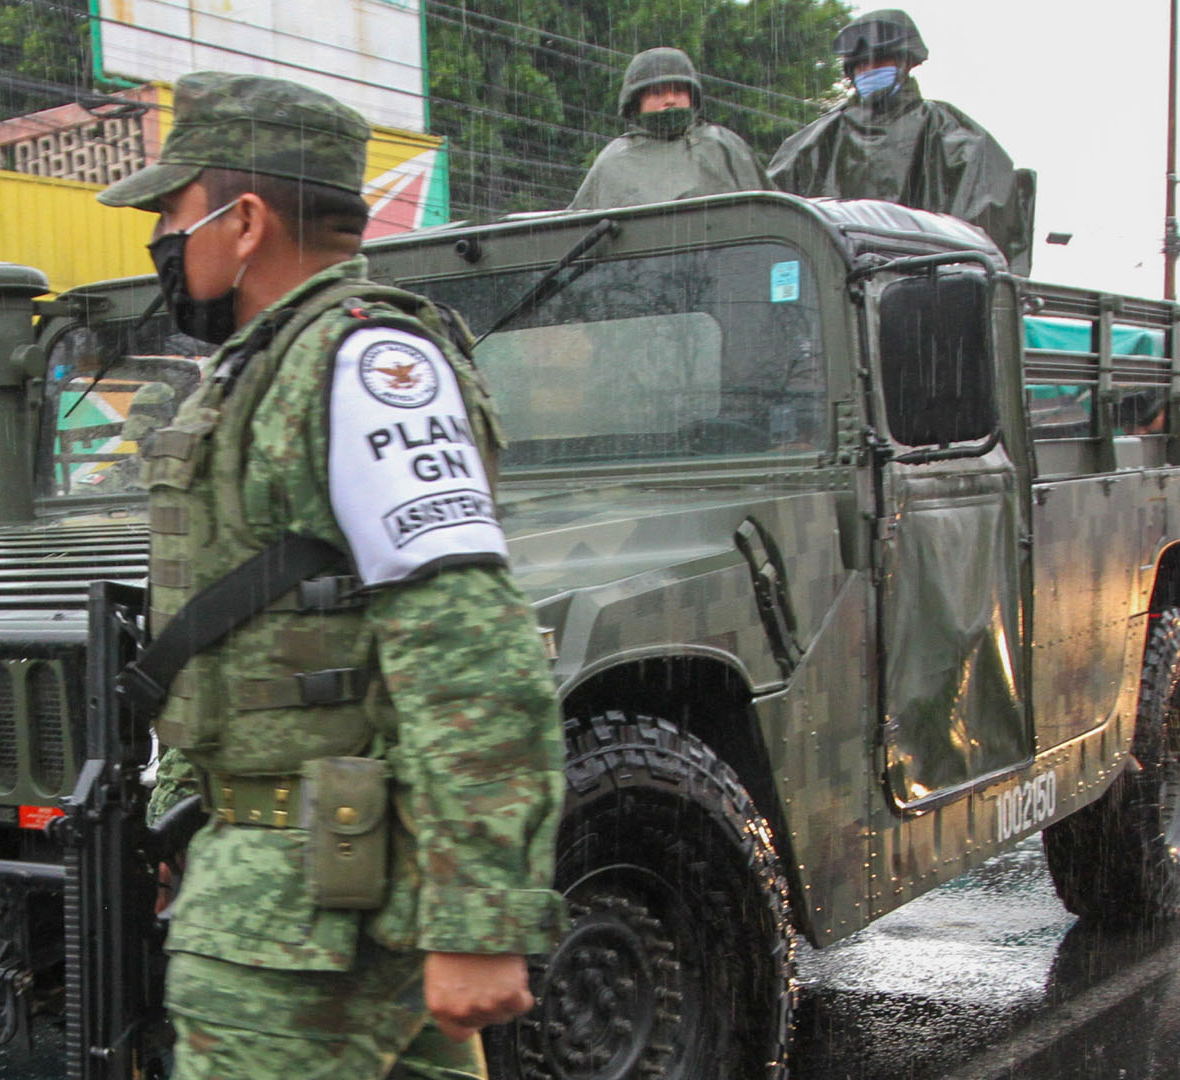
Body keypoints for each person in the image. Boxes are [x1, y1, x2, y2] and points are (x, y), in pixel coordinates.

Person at [96, 71, 566, 1078]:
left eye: (174, 215)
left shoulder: (364, 366)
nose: (165, 244)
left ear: (247, 219)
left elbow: (468, 641)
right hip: (287, 871)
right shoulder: (267, 367)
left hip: (310, 905)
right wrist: (191, 800)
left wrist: (481, 914)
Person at [767, 9, 1036, 274]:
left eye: (881, 61)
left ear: (905, 63)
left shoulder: (952, 136)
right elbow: (766, 217)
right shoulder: (811, 143)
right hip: (831, 296)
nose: (870, 70)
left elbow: (982, 236)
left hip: (928, 292)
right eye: (861, 65)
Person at [569, 46, 767, 210]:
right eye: (657, 92)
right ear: (637, 101)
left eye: (679, 90)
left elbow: (770, 214)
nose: (670, 100)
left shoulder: (723, 145)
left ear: (691, 97)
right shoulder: (613, 162)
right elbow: (580, 236)